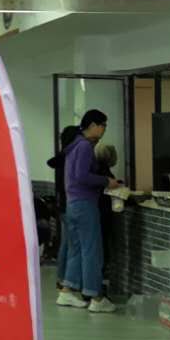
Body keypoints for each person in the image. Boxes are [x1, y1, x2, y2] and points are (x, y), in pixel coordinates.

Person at [57, 110, 119, 312]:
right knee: (92, 251)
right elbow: (82, 176)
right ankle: (96, 297)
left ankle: (66, 291)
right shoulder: (84, 146)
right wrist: (106, 181)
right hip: (85, 204)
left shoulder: (74, 145)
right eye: (103, 125)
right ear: (92, 125)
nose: (104, 130)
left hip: (72, 204)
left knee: (76, 249)